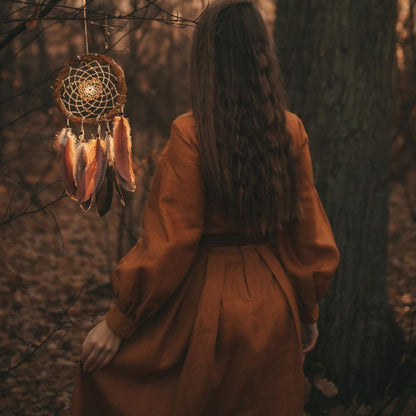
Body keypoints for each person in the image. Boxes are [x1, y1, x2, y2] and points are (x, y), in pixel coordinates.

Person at [68, 0, 340, 414]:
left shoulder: (190, 132)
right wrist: (307, 308)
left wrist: (119, 321)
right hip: (274, 306)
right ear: (261, 54)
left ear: (207, 59)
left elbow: (170, 241)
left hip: (207, 308)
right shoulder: (289, 128)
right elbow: (307, 233)